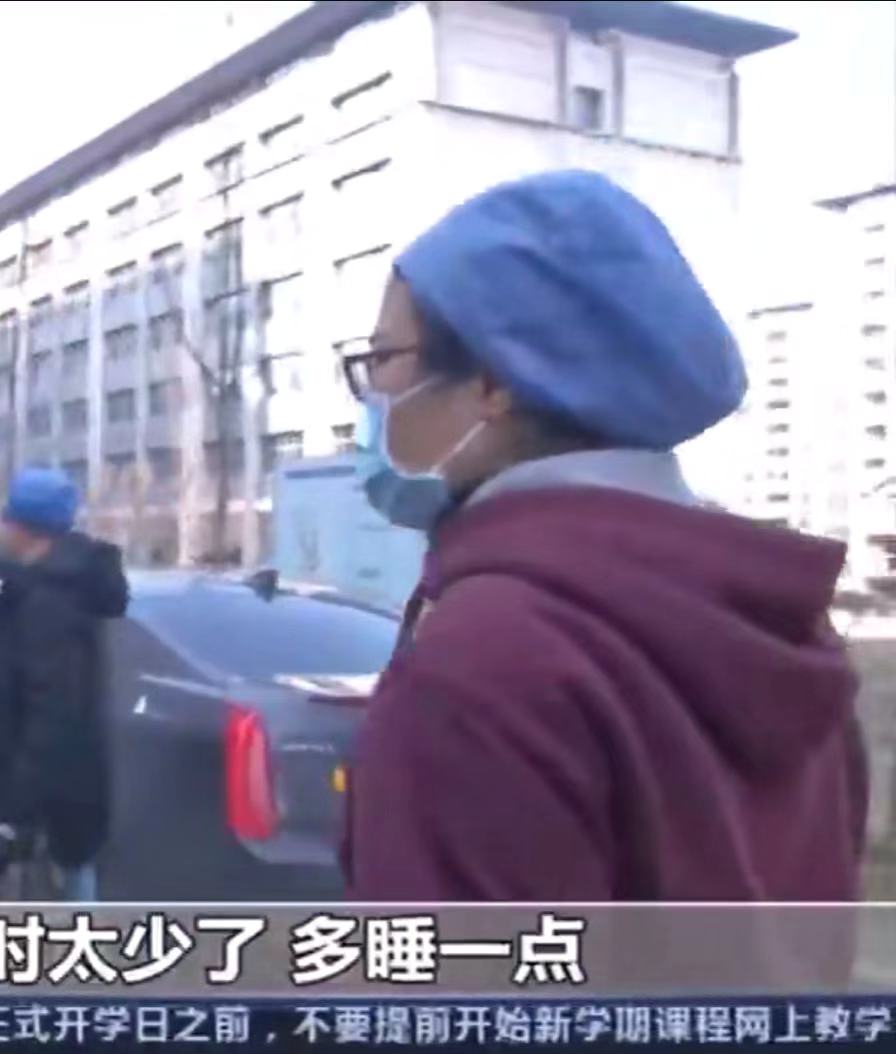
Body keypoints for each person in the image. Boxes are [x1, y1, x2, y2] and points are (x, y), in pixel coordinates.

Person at [341, 170, 868, 902]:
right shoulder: (782, 625)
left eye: (383, 360)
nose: (373, 398)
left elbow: (464, 977)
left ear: (491, 384)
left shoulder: (480, 664)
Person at [0, 467, 129, 900]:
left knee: (60, 893)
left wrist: (12, 816)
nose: (0, 526)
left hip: (44, 799)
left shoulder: (49, 606)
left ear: (24, 528)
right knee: (67, 882)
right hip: (53, 794)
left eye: (6, 518)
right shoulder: (49, 580)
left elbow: (51, 715)